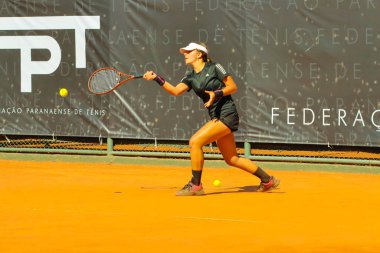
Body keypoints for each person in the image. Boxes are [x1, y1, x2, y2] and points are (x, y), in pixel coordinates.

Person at [143, 42, 280, 196]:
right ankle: (267, 180)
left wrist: (217, 93)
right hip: (216, 116)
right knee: (232, 158)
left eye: (189, 51)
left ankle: (196, 185)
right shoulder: (190, 76)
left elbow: (233, 87)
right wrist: (156, 78)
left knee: (195, 142)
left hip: (226, 114)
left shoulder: (215, 67)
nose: (185, 54)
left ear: (199, 54)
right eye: (185, 52)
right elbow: (175, 91)